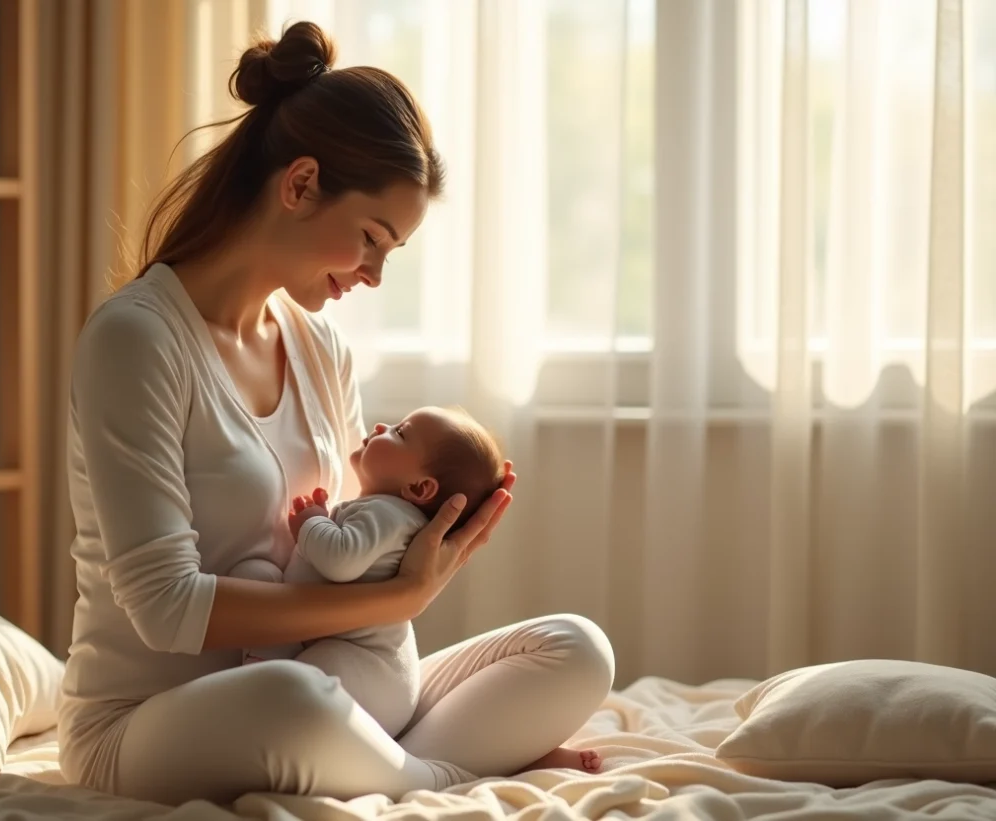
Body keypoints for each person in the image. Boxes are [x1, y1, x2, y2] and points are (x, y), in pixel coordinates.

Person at [58, 20, 615, 806]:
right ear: (299, 183)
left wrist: (420, 542)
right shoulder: (135, 339)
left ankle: (391, 761)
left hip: (325, 679)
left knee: (575, 648)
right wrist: (398, 598)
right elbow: (165, 607)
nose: (375, 275)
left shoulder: (320, 346)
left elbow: (353, 538)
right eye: (370, 240)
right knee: (291, 701)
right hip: (147, 724)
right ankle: (445, 774)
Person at [235, 406, 507, 738]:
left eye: (400, 432)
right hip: (357, 672)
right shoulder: (385, 513)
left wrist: (311, 522)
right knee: (257, 574)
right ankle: (266, 669)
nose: (382, 425)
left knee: (323, 663)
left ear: (420, 489)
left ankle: (270, 691)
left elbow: (340, 559)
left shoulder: (391, 515)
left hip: (370, 675)